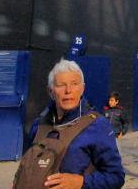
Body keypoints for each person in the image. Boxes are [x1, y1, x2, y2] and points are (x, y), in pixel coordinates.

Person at [20, 59, 124, 188]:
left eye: (74, 84)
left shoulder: (97, 125)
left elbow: (116, 177)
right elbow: (26, 165)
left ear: (82, 88)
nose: (68, 90)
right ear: (50, 91)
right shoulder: (38, 125)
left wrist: (81, 182)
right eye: (61, 85)